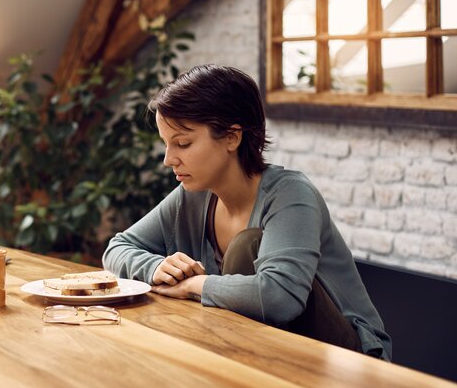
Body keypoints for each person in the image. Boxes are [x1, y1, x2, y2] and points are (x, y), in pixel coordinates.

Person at [102, 65, 391, 360]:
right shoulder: (193, 197)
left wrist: (194, 285)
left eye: (183, 143)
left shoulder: (291, 194)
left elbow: (279, 297)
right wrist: (155, 268)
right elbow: (117, 248)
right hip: (260, 349)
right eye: (166, 144)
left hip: (347, 361)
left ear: (232, 137)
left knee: (246, 246)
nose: (168, 159)